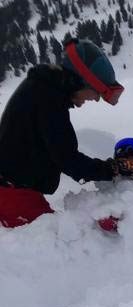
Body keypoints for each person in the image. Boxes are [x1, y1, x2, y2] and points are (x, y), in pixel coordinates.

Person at [0, 37, 124, 229]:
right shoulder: (48, 100)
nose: (96, 99)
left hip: (14, 190)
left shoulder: (43, 89)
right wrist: (112, 170)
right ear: (80, 82)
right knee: (68, 240)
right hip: (12, 197)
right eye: (96, 93)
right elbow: (67, 159)